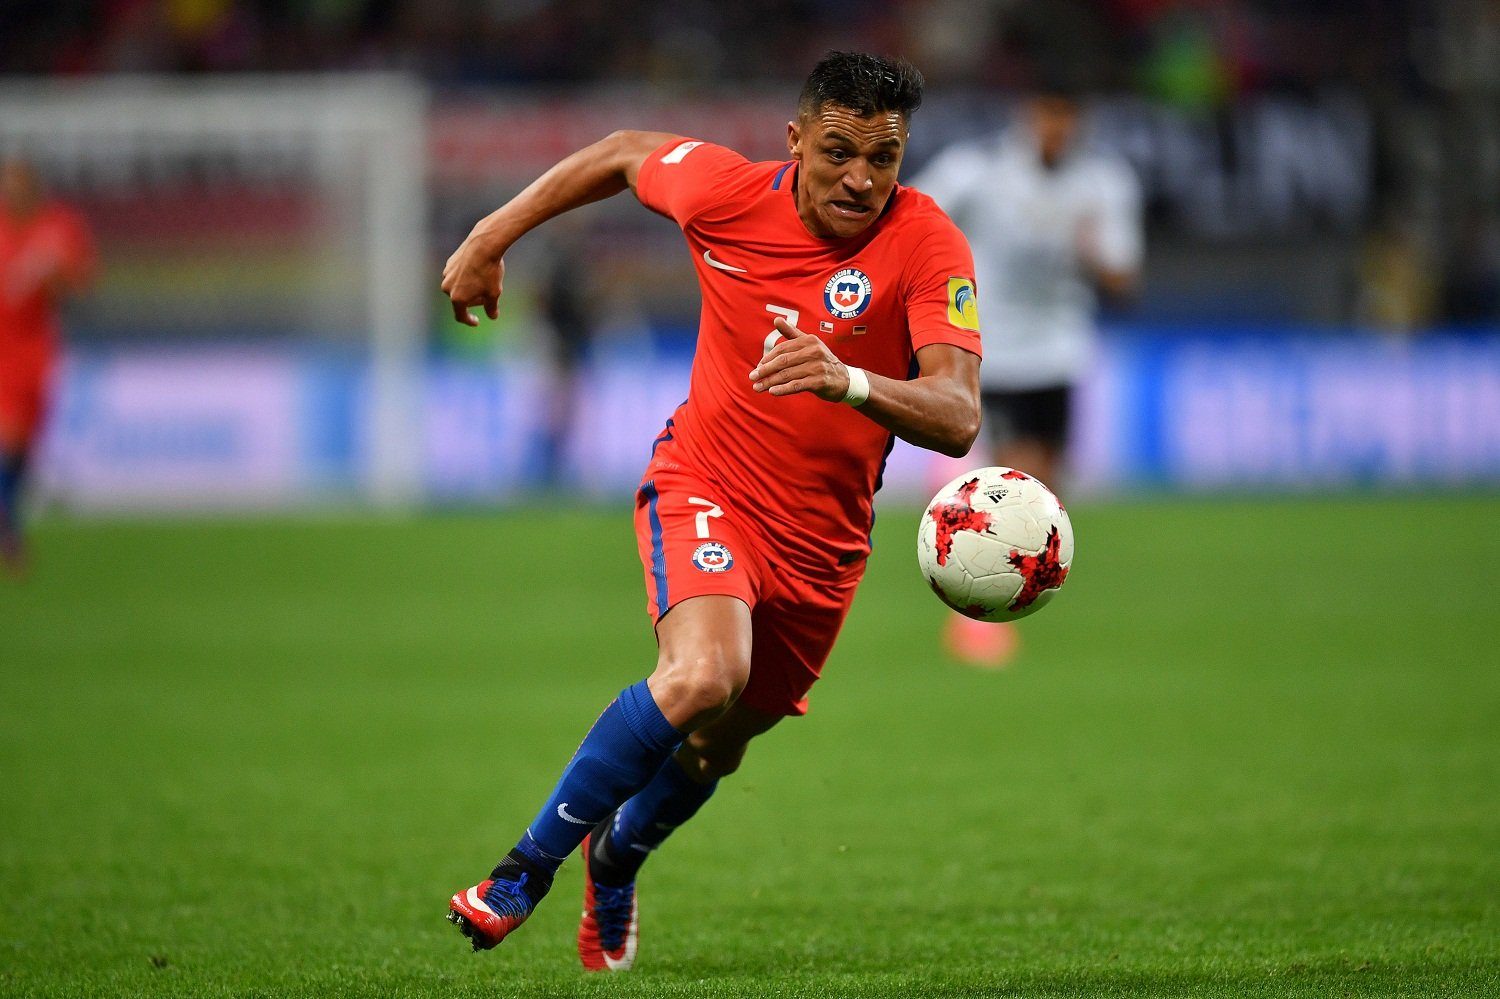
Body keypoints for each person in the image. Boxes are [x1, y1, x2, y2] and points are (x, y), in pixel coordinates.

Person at [440, 51, 982, 972]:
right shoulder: (727, 196)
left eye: (883, 157)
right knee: (702, 676)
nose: (861, 178)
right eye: (840, 150)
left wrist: (847, 378)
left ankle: (617, 859)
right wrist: (490, 237)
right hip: (706, 484)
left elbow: (959, 413)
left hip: (825, 545)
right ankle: (520, 874)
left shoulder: (929, 244)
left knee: (716, 748)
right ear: (796, 140)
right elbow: (618, 153)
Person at [910, 83, 1143, 665]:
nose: (1056, 126)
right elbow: (912, 218)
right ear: (1028, 113)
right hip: (992, 346)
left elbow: (1124, 280)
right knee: (1012, 476)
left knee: (1042, 487)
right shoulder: (978, 170)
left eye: (1067, 114)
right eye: (1047, 112)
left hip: (1061, 350)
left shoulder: (1102, 184)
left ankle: (998, 590)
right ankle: (979, 612)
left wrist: (1090, 250)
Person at [0, 157, 96, 575]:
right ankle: (8, 528)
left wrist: (51, 270)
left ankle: (8, 517)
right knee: (8, 434)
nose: (12, 192)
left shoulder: (59, 226)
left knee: (23, 447)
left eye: (19, 183)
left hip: (37, 350)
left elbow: (77, 284)